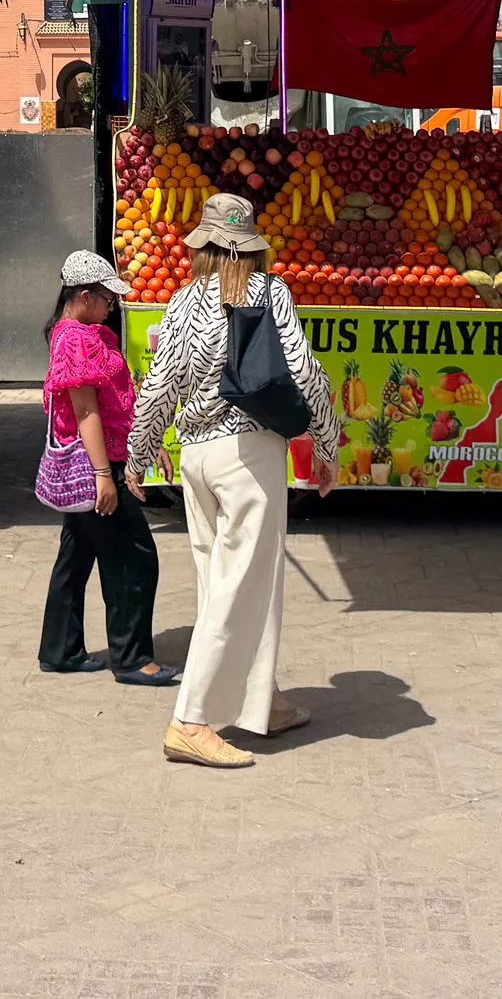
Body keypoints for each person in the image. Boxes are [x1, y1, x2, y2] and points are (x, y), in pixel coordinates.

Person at [126, 195, 339, 768]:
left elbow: (160, 383)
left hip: (196, 456)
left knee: (224, 582)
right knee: (242, 585)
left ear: (205, 245)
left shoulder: (182, 301)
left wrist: (139, 452)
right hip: (248, 457)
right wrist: (326, 443)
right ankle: (190, 720)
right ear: (252, 247)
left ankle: (260, 700)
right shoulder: (269, 293)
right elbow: (304, 371)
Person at [38, 251, 179, 688]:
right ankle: (132, 659)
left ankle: (60, 650)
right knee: (134, 557)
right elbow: (86, 412)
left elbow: (116, 401)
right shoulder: (75, 340)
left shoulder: (85, 334)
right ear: (84, 297)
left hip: (104, 457)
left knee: (76, 555)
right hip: (96, 464)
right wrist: (104, 475)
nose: (111, 307)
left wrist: (147, 442)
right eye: (107, 299)